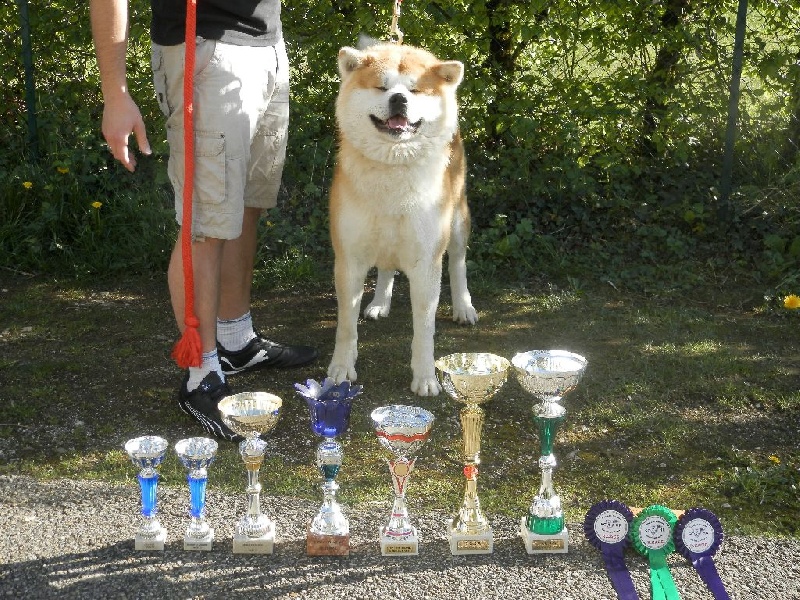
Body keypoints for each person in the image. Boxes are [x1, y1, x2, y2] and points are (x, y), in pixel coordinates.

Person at [90, 0, 318, 442]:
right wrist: (114, 93)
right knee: (206, 222)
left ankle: (235, 341)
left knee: (247, 204)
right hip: (206, 48)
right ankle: (201, 373)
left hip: (266, 42)